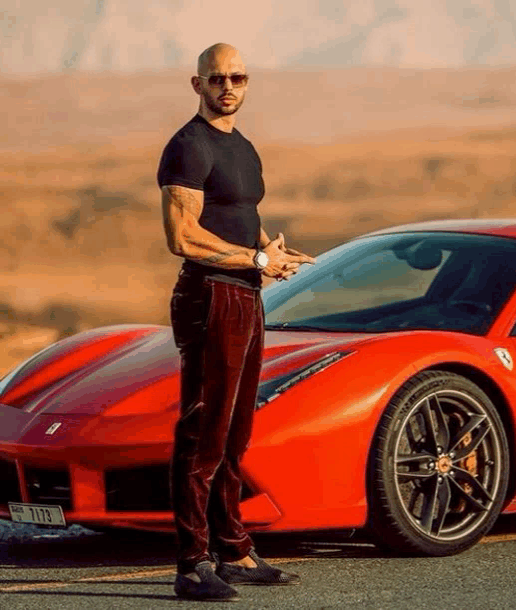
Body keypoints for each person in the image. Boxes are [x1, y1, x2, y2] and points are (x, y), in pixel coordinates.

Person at [157, 42, 315, 601]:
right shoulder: (188, 147)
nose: (228, 86)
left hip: (246, 295)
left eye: (238, 77)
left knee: (236, 431)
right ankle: (191, 562)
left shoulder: (243, 148)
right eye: (217, 77)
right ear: (196, 84)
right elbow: (182, 236)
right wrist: (253, 260)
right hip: (211, 296)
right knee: (203, 430)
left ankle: (235, 550)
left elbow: (236, 216)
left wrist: (265, 249)